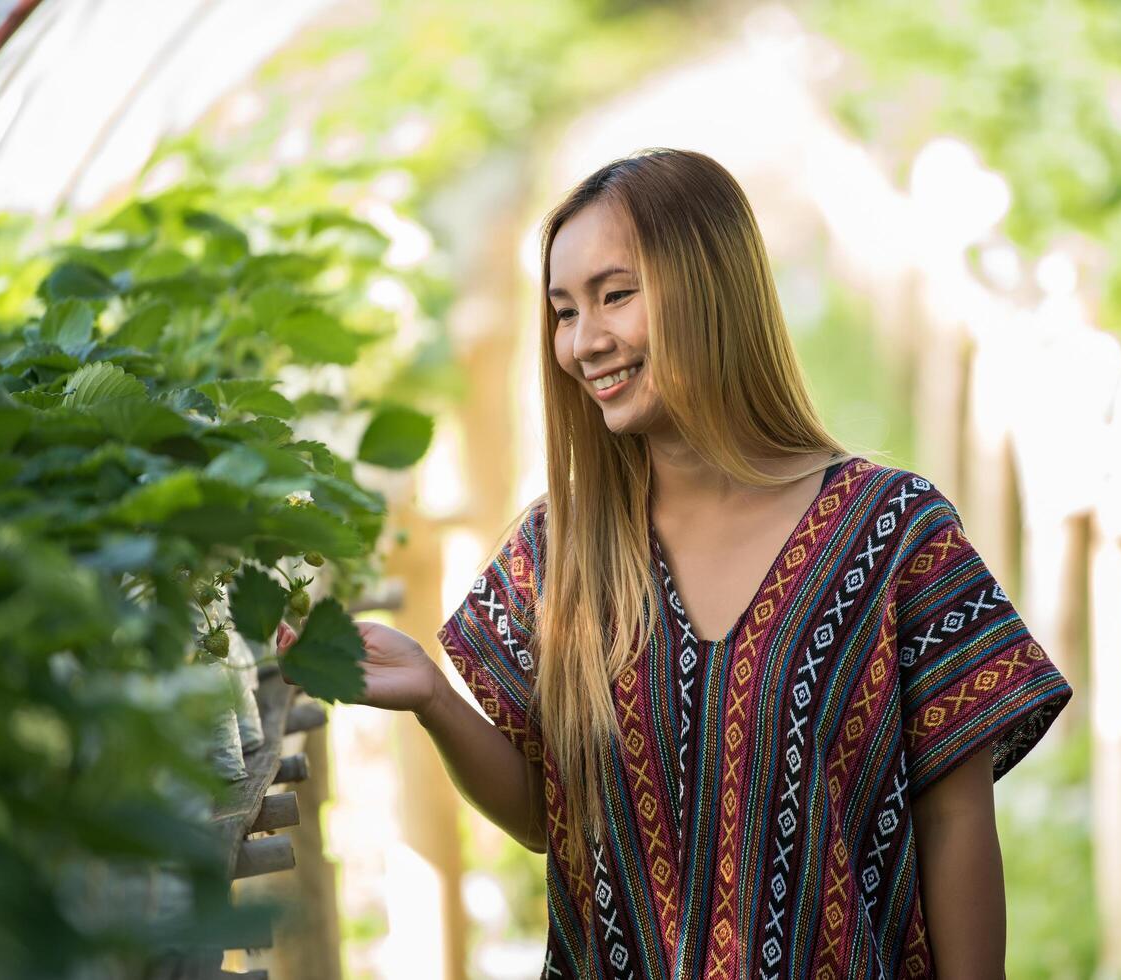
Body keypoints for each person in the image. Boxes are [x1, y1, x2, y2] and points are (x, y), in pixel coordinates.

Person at [278, 147, 1073, 979]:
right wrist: (435, 699)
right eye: (561, 311)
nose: (585, 341)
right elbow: (549, 822)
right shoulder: (556, 554)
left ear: (710, 287)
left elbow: (954, 823)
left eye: (614, 295)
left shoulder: (893, 532)